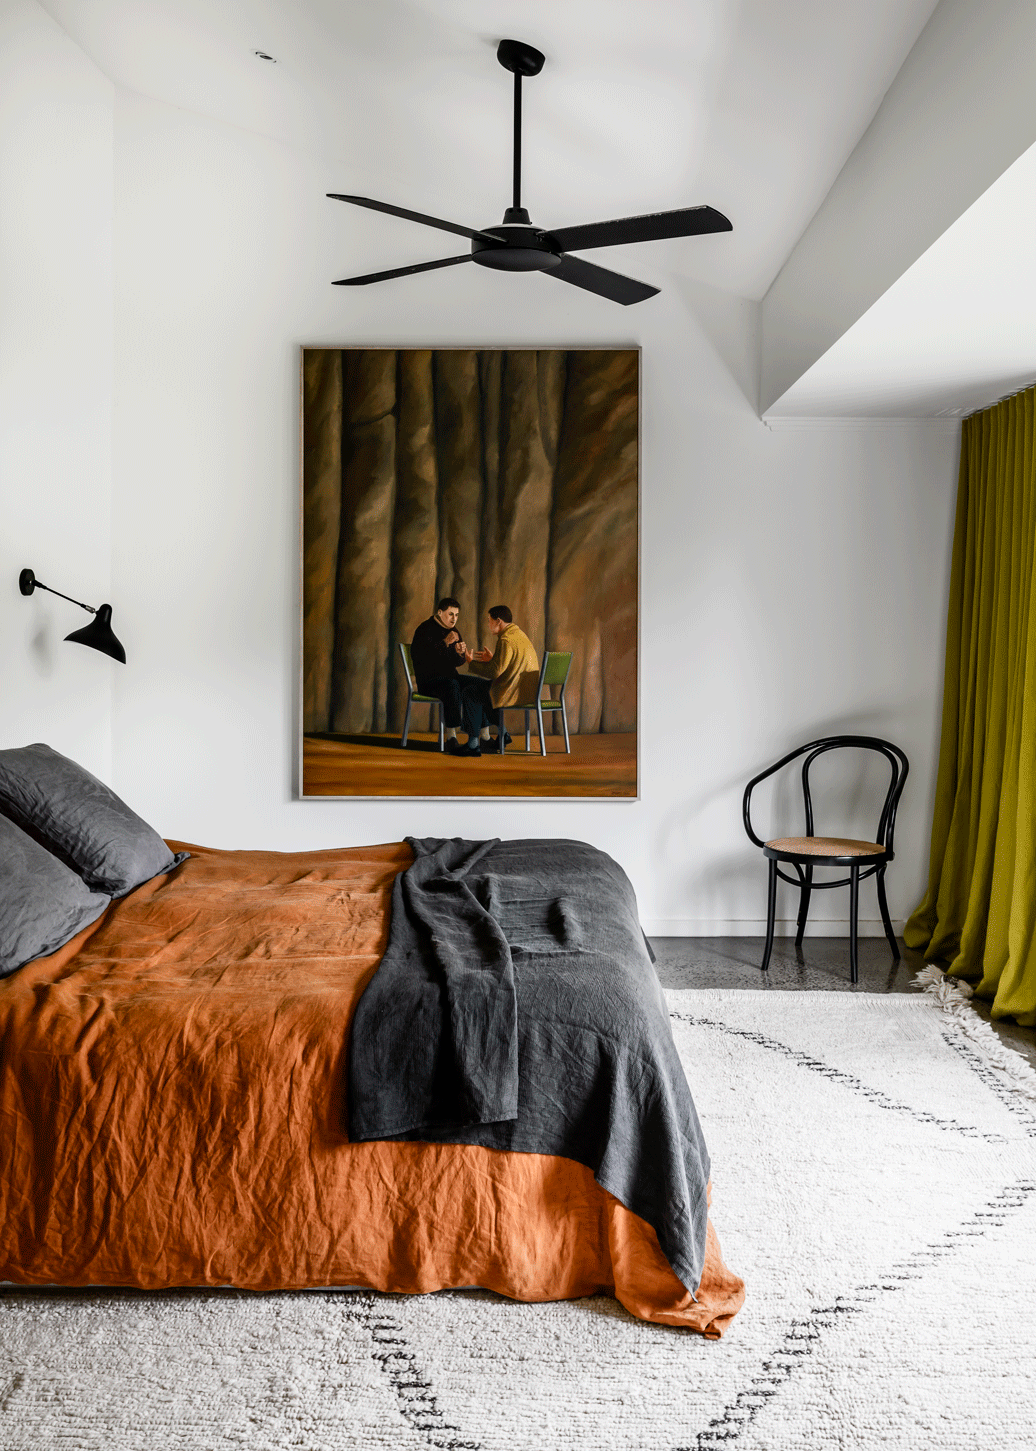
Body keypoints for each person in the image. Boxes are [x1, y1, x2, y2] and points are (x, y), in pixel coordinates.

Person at [457, 605, 540, 757]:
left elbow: (495, 672)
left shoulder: (506, 640)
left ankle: (473, 745)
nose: (488, 624)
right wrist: (493, 659)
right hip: (524, 690)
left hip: (513, 691)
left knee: (471, 693)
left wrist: (471, 663)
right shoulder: (519, 635)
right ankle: (503, 734)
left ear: (498, 621)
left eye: (490, 621)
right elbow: (509, 665)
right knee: (483, 690)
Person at [409, 597, 477, 755]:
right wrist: (445, 642)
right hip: (428, 681)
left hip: (449, 678)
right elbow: (423, 657)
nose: (454, 619)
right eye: (451, 614)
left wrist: (459, 653)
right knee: (452, 686)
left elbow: (456, 662)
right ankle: (451, 738)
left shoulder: (454, 630)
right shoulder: (424, 629)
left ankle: (483, 736)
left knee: (477, 684)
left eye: (457, 615)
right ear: (440, 613)